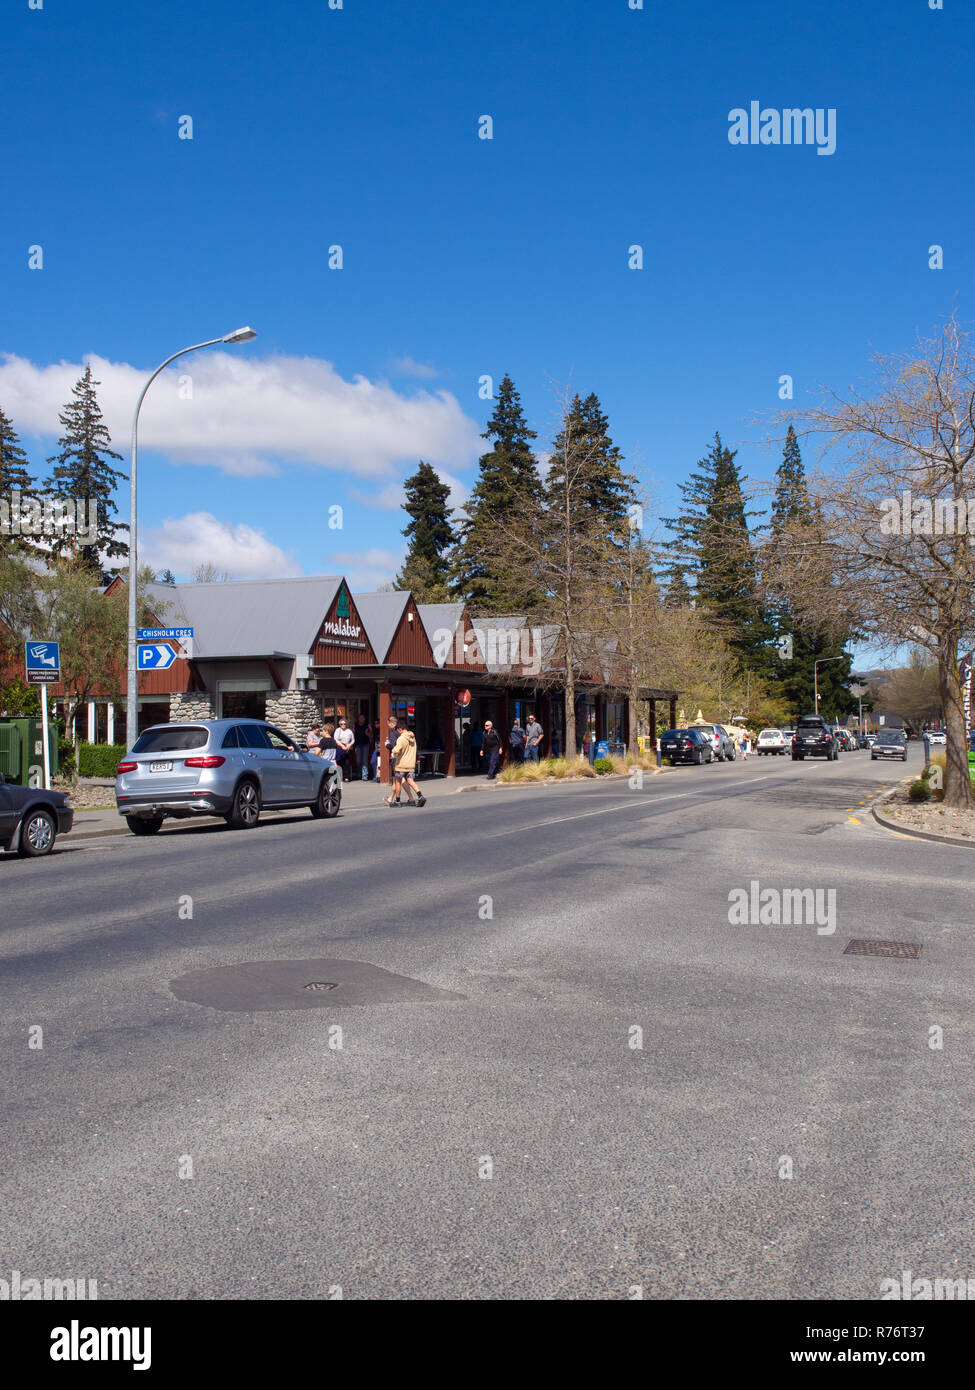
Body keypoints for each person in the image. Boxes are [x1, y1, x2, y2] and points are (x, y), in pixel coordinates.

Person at [388, 720, 425, 806]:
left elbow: (396, 750)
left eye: (398, 730)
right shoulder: (412, 737)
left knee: (398, 782)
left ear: (400, 729)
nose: (398, 732)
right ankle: (420, 796)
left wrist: (390, 748)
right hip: (410, 764)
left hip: (401, 764)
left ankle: (397, 801)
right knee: (411, 781)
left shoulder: (401, 739)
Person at [334, 717, 355, 782]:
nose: (343, 725)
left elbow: (353, 740)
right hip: (339, 748)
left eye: (344, 724)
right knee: (339, 762)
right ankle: (339, 777)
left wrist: (348, 745)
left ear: (346, 724)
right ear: (339, 724)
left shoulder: (349, 731)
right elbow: (335, 739)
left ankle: (346, 777)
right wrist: (342, 746)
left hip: (347, 747)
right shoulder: (338, 730)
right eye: (341, 724)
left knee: (347, 763)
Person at [353, 713, 372, 781]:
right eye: (360, 718)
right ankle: (358, 774)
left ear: (364, 719)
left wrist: (368, 734)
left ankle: (364, 776)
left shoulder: (367, 725)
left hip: (365, 744)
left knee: (364, 760)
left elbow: (371, 735)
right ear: (358, 719)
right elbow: (353, 734)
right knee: (358, 760)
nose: (361, 719)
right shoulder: (355, 725)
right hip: (357, 744)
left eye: (362, 718)